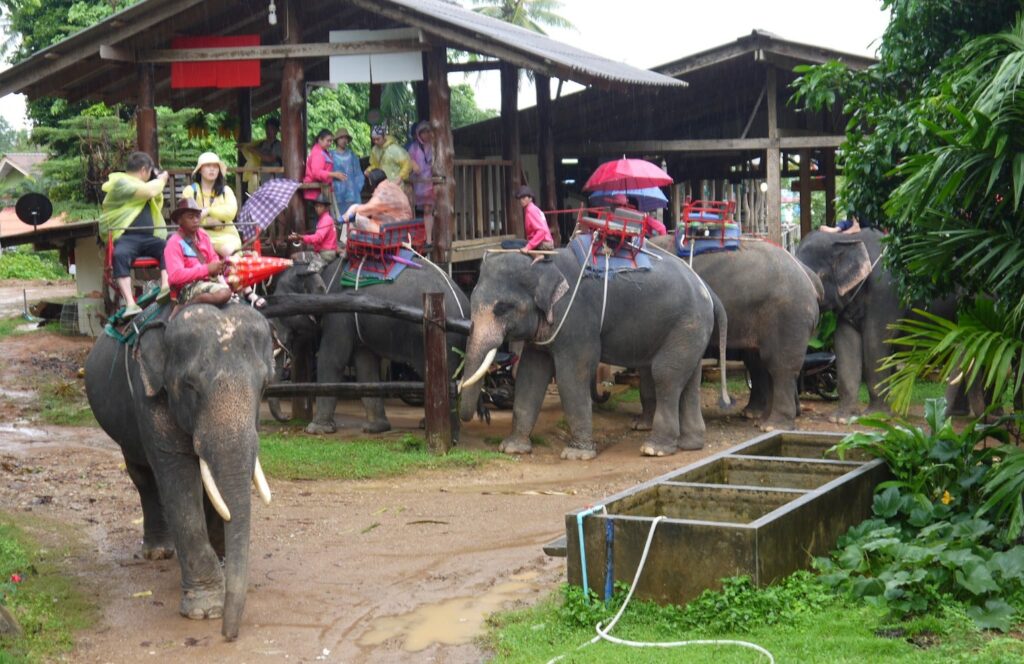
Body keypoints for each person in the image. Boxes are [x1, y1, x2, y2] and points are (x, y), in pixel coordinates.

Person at [100, 151, 171, 319]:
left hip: (148, 237)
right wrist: (161, 180)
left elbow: (154, 198)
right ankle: (130, 303)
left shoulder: (143, 186)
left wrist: (157, 185)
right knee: (120, 254)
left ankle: (165, 286)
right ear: (145, 169)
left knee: (168, 247)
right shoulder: (121, 183)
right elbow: (148, 192)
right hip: (126, 237)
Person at [163, 198, 231, 307]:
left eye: (197, 216)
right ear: (180, 220)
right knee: (224, 293)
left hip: (208, 282)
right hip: (186, 288)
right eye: (190, 217)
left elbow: (213, 258)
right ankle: (188, 305)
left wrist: (218, 266)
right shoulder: (174, 243)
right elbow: (175, 276)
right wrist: (207, 269)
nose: (195, 220)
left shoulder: (203, 236)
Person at [181, 152, 240, 258]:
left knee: (230, 252)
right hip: (198, 235)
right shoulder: (190, 191)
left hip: (226, 235)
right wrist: (213, 221)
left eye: (215, 166)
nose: (212, 169)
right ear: (200, 170)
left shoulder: (226, 191)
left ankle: (232, 275)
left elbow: (230, 213)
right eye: (208, 166)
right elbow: (186, 217)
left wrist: (207, 211)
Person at [343, 168, 412, 234]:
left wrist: (354, 209)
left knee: (355, 216)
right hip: (401, 229)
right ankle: (343, 220)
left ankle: (344, 238)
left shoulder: (383, 192)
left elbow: (365, 210)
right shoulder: (394, 187)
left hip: (389, 232)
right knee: (354, 212)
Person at [303, 129, 346, 214]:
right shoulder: (317, 153)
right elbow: (316, 173)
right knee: (320, 220)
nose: (330, 143)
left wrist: (335, 176)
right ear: (320, 140)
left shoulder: (323, 152)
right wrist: (334, 174)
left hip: (321, 191)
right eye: (328, 141)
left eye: (331, 141)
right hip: (315, 193)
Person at [408, 120, 436, 248]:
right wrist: (412, 165)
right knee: (414, 211)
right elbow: (408, 161)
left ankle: (429, 240)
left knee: (428, 210)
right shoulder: (413, 147)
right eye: (423, 132)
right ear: (419, 134)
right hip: (418, 184)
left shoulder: (435, 146)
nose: (426, 134)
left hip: (431, 184)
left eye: (428, 131)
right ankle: (415, 239)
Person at [289, 194, 338, 262]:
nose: (317, 209)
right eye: (316, 206)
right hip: (323, 252)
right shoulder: (323, 219)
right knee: (294, 256)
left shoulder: (326, 220)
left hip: (325, 254)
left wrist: (300, 237)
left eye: (320, 206)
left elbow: (318, 238)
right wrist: (302, 240)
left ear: (326, 208)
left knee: (311, 271)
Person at [330, 127, 364, 211]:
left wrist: (356, 189)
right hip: (336, 193)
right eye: (341, 138)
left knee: (352, 219)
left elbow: (358, 174)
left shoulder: (352, 156)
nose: (344, 140)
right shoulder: (330, 155)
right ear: (336, 140)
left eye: (346, 138)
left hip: (351, 194)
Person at [516, 185, 554, 253]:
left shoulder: (531, 210)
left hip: (544, 243)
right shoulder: (533, 208)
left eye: (524, 198)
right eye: (520, 198)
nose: (521, 200)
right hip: (544, 241)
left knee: (508, 244)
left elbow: (542, 231)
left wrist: (528, 247)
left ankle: (537, 255)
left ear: (530, 198)